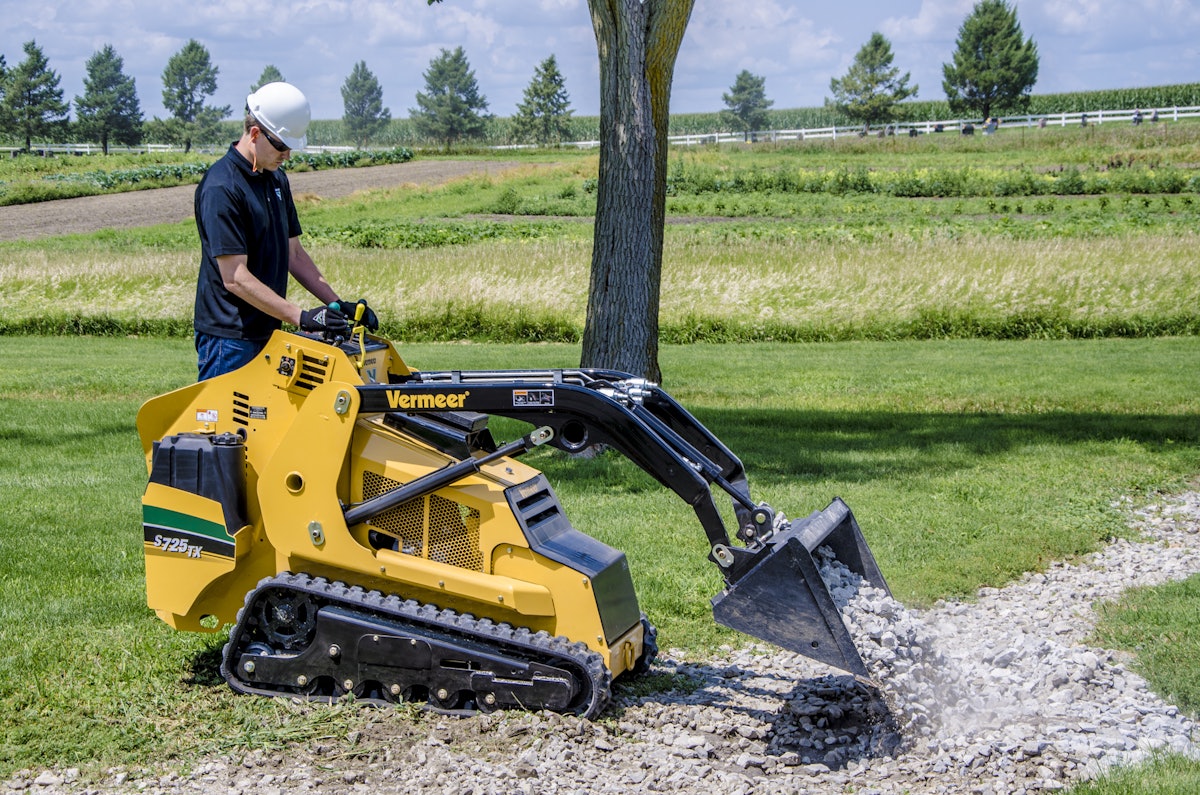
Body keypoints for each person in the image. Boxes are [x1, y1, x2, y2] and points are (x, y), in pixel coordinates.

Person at [192, 81, 377, 380]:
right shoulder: (222, 187)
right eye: (281, 145)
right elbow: (235, 277)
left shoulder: (276, 180)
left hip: (270, 330)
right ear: (255, 134)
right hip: (230, 339)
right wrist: (301, 317)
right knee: (224, 413)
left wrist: (336, 305)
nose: (287, 155)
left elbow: (294, 254)